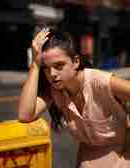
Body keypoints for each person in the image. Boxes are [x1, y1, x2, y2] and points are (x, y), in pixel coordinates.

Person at [19, 28, 130, 168]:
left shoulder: (99, 81)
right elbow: (25, 114)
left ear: (76, 62)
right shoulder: (56, 91)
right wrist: (35, 65)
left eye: (59, 65)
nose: (52, 74)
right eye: (46, 68)